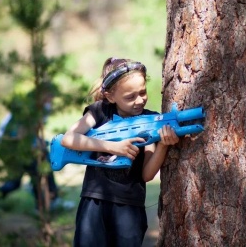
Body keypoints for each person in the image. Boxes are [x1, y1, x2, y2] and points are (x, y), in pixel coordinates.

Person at [61, 57, 180, 247]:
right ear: (110, 96)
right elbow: (68, 139)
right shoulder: (100, 112)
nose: (139, 100)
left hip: (130, 207)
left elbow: (147, 174)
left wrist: (164, 145)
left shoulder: (150, 119)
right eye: (130, 97)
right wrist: (112, 147)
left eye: (143, 92)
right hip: (94, 202)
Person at [0, 82, 74, 212]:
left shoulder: (43, 107)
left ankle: (48, 201)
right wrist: (34, 145)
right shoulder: (31, 108)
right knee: (29, 173)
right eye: (50, 96)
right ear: (42, 95)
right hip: (12, 146)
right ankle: (45, 203)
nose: (52, 99)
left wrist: (38, 141)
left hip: (20, 146)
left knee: (19, 179)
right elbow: (19, 133)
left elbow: (33, 131)